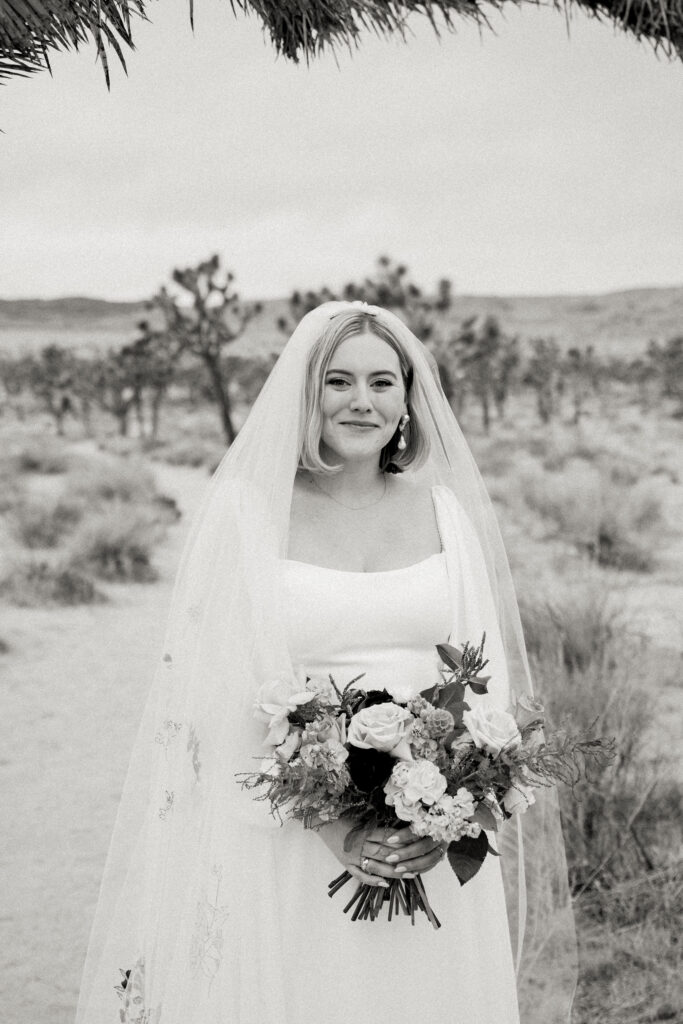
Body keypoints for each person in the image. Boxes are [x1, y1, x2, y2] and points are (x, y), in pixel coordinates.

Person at [75, 302, 577, 1024]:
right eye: (337, 381)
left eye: (381, 382)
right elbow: (216, 692)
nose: (360, 401)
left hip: (421, 843)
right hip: (288, 834)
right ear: (306, 396)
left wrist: (449, 811)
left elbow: (484, 679)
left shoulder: (444, 514)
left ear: (407, 397)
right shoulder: (247, 514)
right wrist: (335, 829)